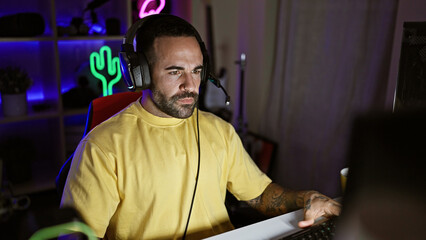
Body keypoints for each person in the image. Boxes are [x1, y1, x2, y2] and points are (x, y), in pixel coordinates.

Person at [60, 14, 341, 239]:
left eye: (196, 71)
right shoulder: (102, 147)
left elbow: (260, 194)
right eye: (174, 72)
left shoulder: (219, 131)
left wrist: (308, 198)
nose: (191, 86)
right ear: (140, 74)